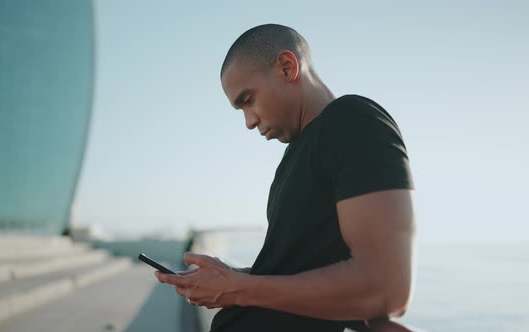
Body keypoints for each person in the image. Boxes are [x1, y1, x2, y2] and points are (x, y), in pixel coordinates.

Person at [155, 24, 417, 332]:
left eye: (248, 99)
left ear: (286, 67)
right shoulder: (294, 157)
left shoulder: (354, 122)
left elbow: (385, 290)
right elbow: (303, 270)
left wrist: (239, 288)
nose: (249, 122)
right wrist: (232, 279)